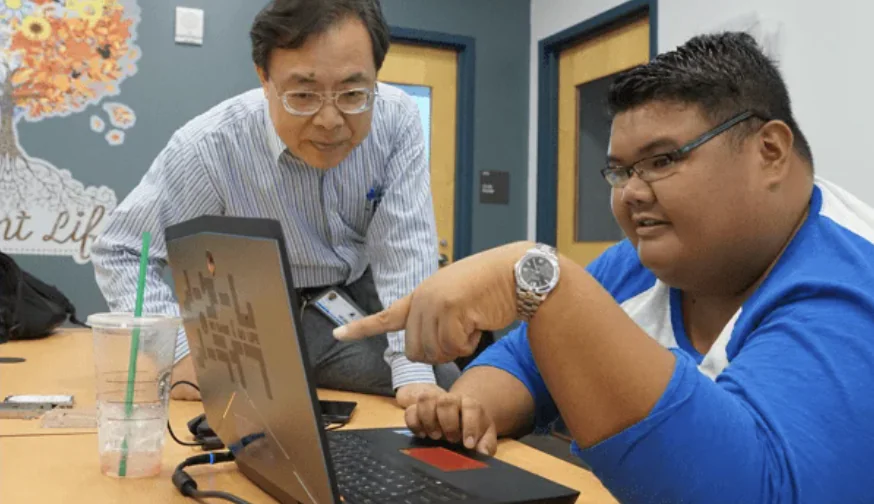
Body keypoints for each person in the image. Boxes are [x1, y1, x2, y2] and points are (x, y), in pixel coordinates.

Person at [335, 32, 874, 503]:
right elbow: (524, 362)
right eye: (620, 171)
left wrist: (540, 280)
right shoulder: (656, 260)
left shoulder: (847, 282)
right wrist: (468, 409)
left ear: (771, 151)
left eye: (663, 160)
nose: (633, 193)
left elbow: (751, 488)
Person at [92, 0, 459, 407]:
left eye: (354, 93)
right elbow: (121, 249)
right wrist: (178, 351)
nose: (330, 120)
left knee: (439, 378)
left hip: (355, 289)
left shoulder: (396, 119)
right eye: (303, 95)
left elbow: (403, 246)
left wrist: (411, 370)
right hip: (257, 308)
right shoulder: (211, 146)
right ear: (264, 79)